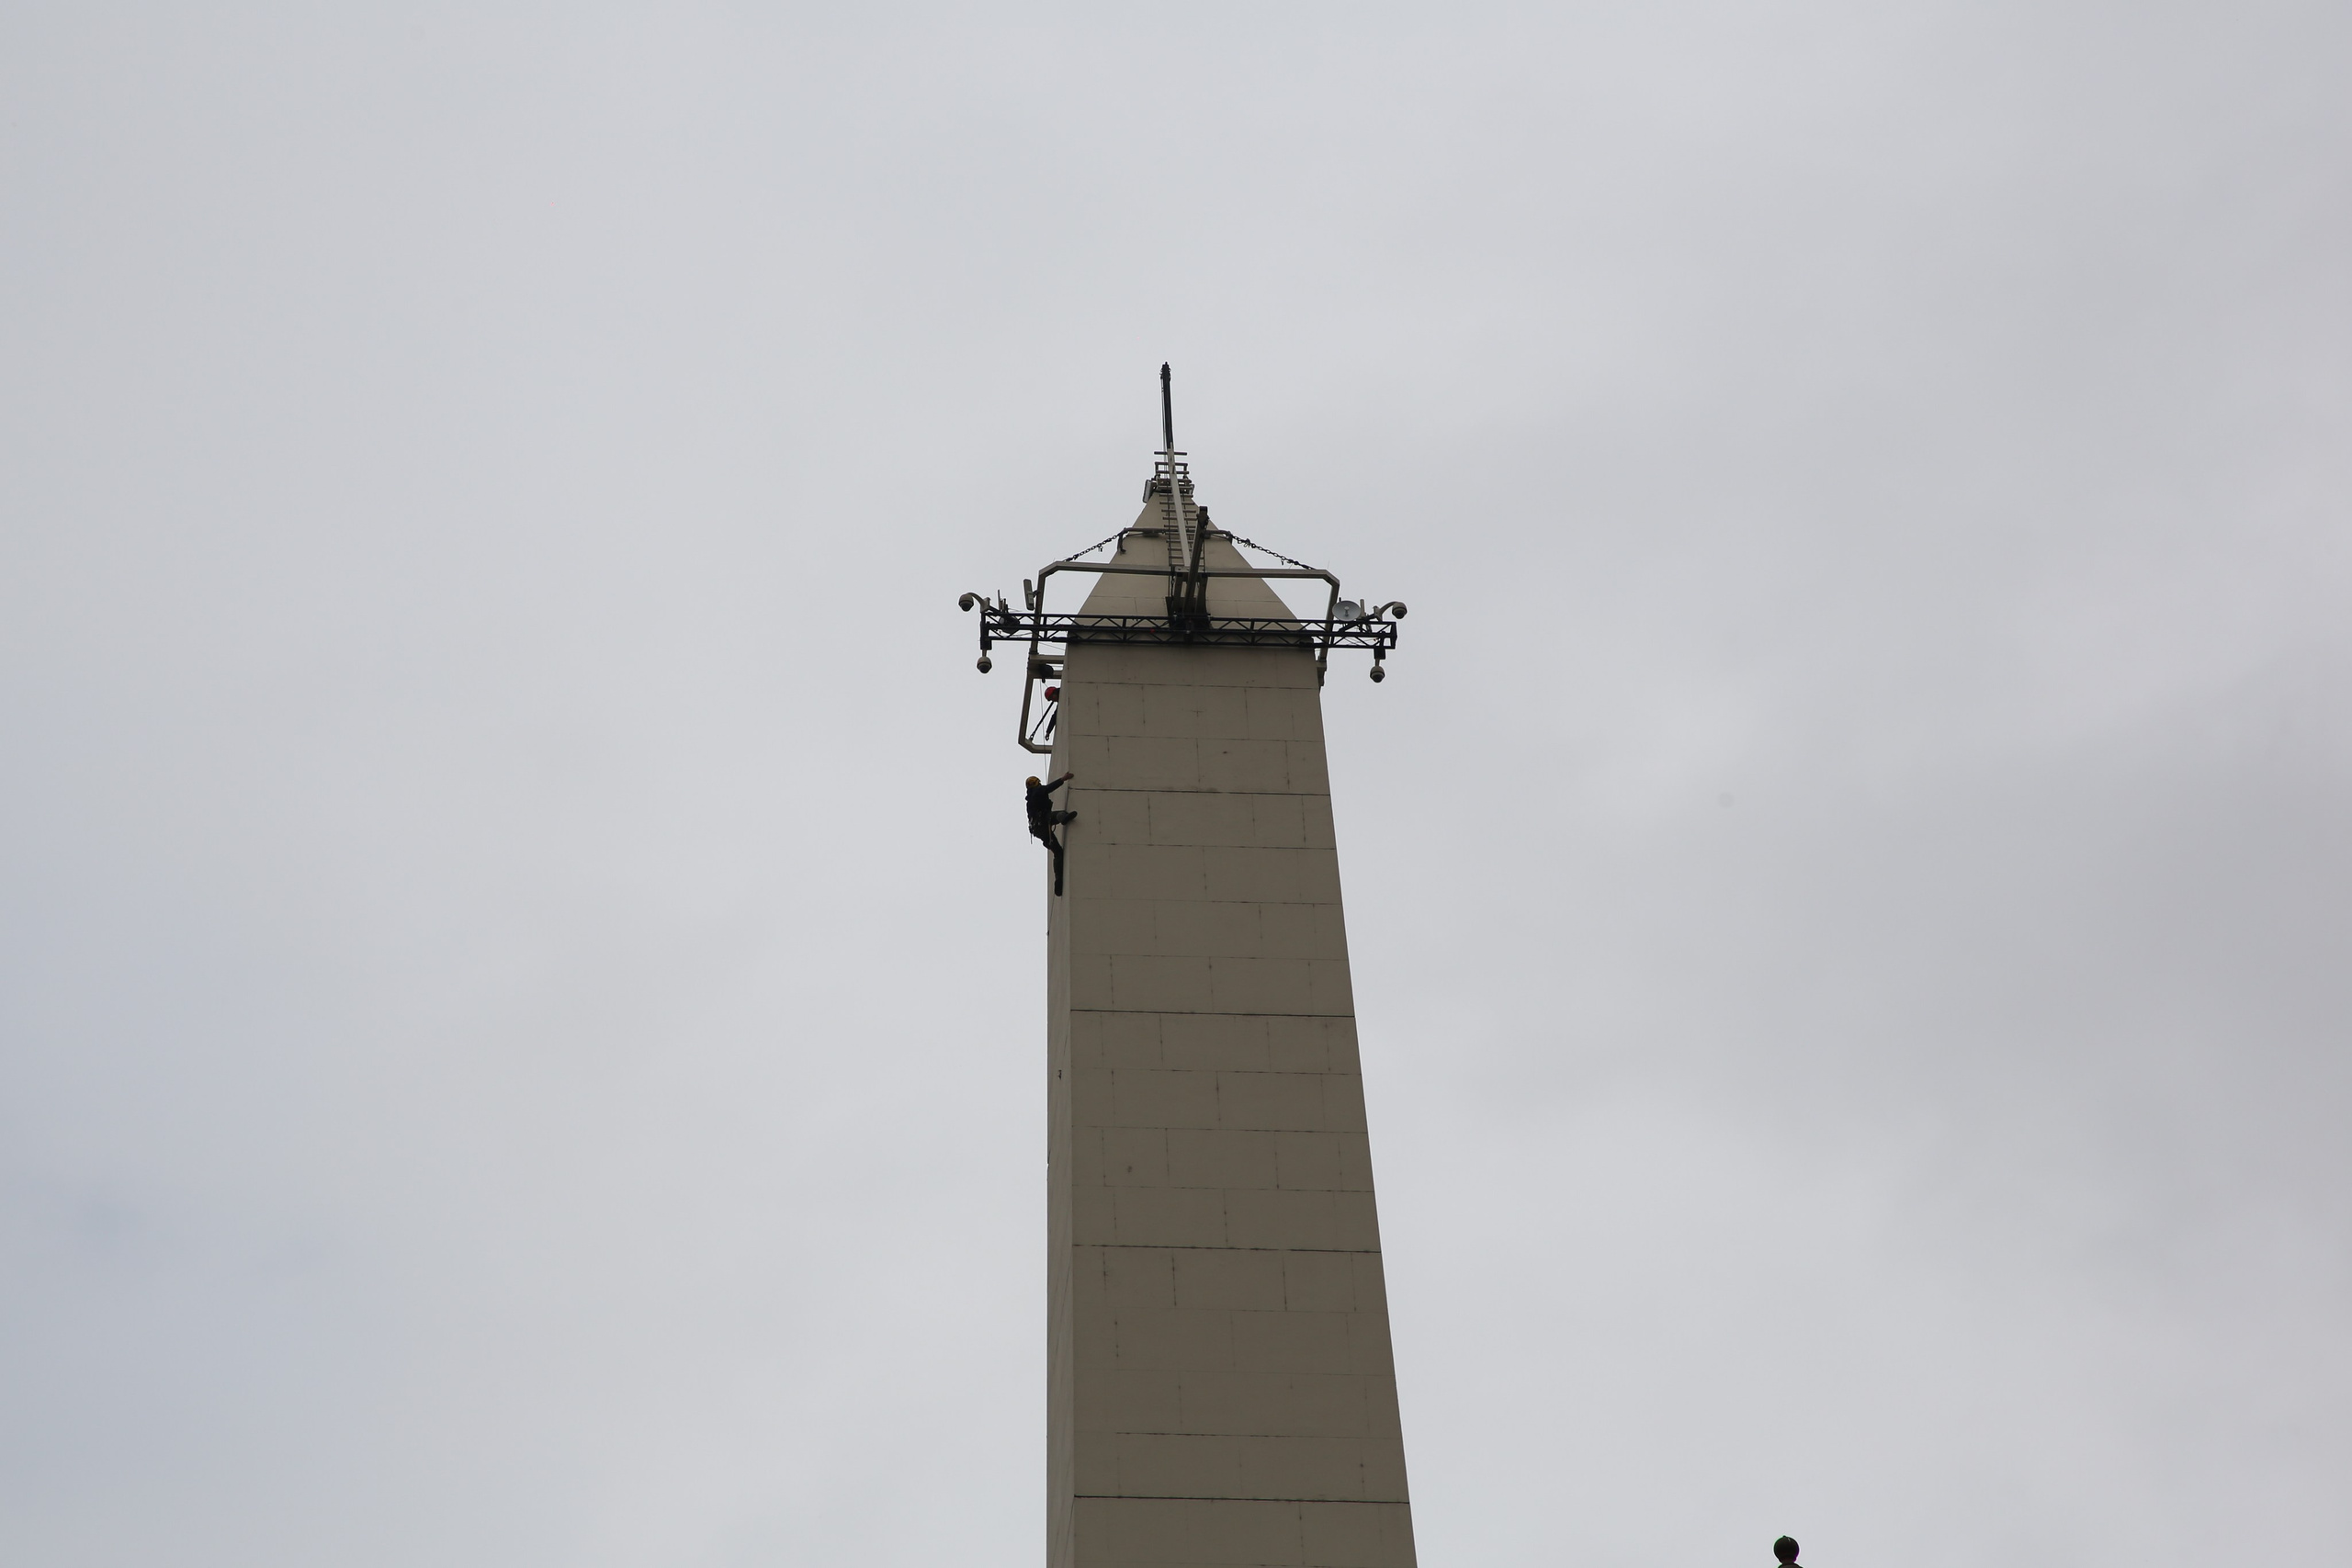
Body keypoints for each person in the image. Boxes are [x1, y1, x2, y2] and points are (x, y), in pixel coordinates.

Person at [1025, 772, 1077, 895]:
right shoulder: (1038, 791)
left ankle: (1058, 878)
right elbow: (1049, 788)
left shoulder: (1029, 800)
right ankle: (1063, 819)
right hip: (1044, 820)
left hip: (1038, 830)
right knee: (1060, 814)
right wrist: (1063, 779)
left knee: (1058, 852)